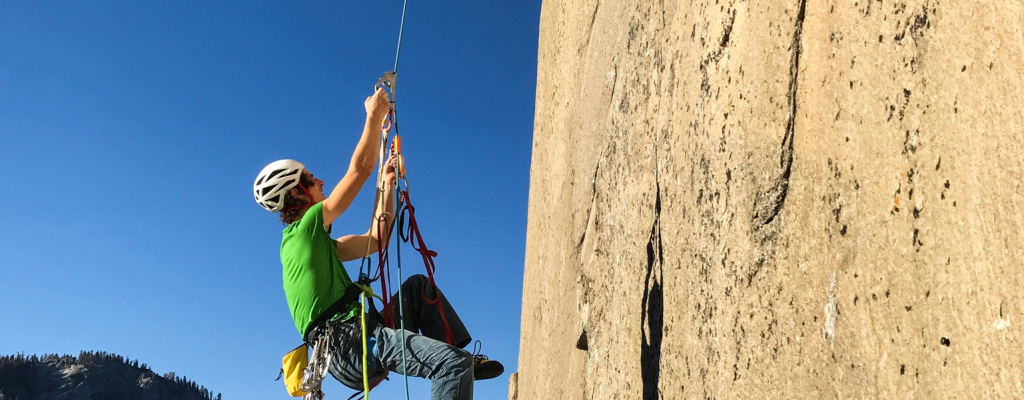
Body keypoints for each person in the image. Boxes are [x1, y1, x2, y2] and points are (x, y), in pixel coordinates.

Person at [253, 88, 503, 400]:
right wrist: (374, 117)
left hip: (357, 336)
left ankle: (458, 362)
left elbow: (376, 239)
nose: (320, 182)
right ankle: (457, 365)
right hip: (350, 344)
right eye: (310, 179)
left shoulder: (317, 245)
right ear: (296, 193)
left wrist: (387, 184)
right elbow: (359, 171)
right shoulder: (304, 231)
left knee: (418, 288)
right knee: (452, 365)